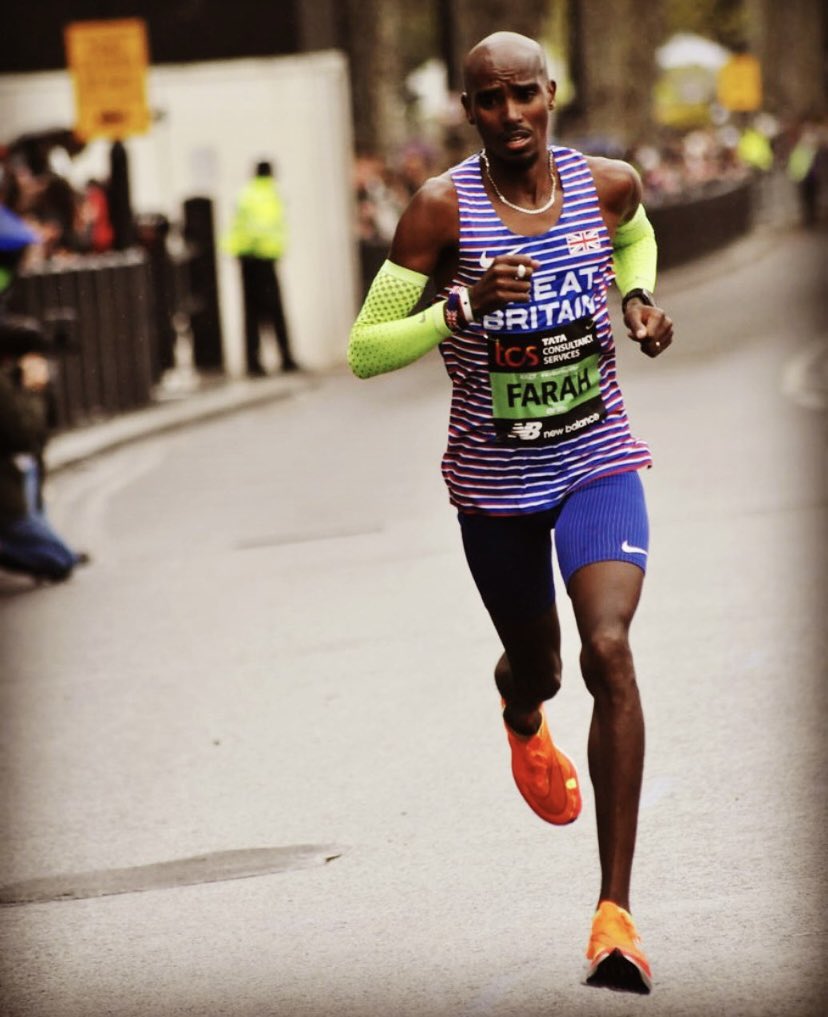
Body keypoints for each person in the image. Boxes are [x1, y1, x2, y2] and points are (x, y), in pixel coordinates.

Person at [348, 32, 674, 995]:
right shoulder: (439, 210)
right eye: (489, 102)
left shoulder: (605, 183)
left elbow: (636, 231)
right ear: (468, 109)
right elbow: (367, 348)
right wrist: (459, 309)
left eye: (524, 95)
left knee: (606, 650)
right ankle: (521, 709)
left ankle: (614, 914)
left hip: (596, 457)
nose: (511, 117)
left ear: (551, 93)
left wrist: (638, 297)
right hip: (494, 488)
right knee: (539, 663)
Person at [223, 160, 298, 375]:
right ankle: (286, 358)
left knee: (251, 313)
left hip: (245, 258)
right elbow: (263, 227)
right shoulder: (271, 194)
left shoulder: (245, 193)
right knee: (276, 312)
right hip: (264, 258)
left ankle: (253, 363)